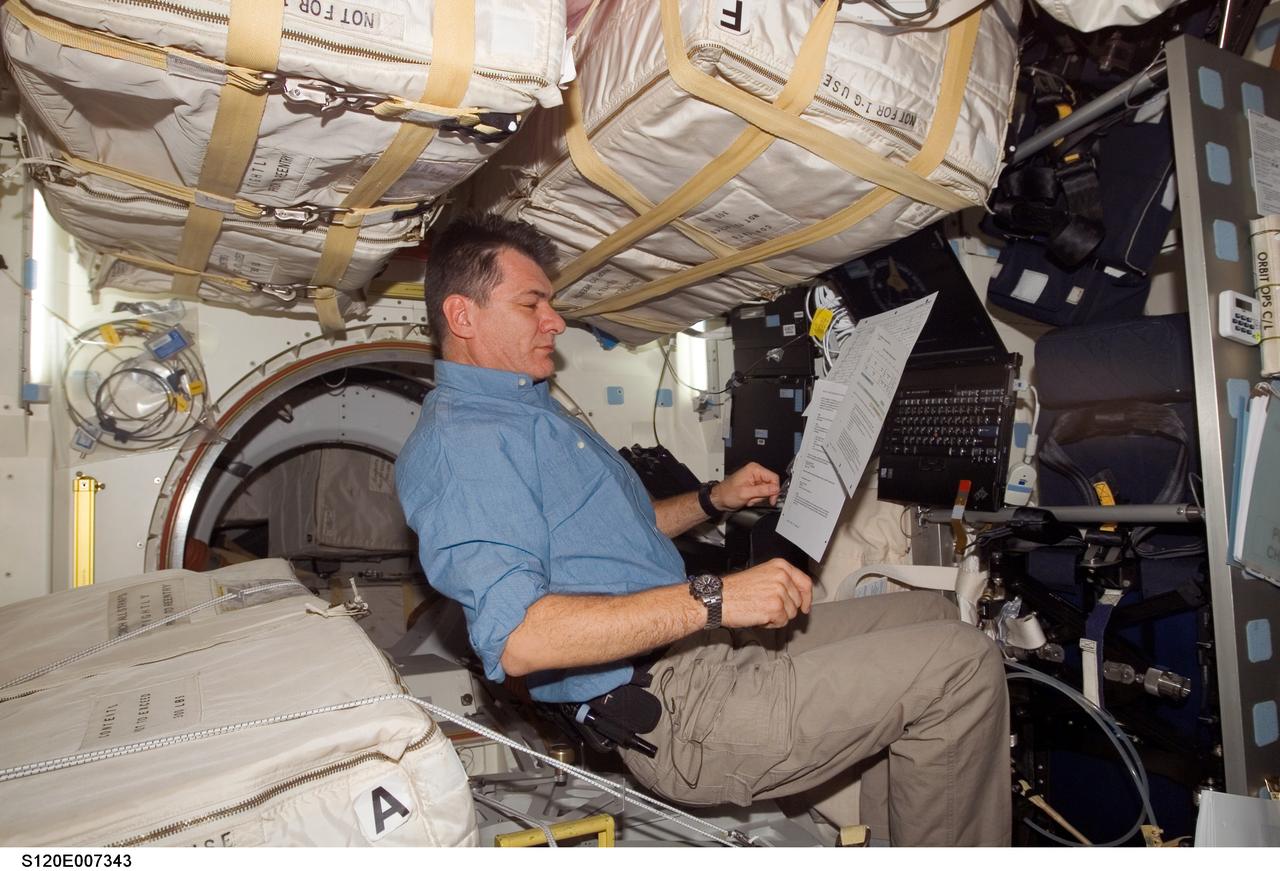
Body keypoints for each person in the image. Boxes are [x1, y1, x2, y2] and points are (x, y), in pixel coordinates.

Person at [395, 214, 1011, 846]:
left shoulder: (529, 410)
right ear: (463, 316)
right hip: (681, 712)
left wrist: (716, 498)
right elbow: (519, 639)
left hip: (702, 649)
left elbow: (622, 534)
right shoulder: (466, 445)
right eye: (533, 304)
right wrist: (718, 597)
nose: (554, 321)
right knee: (963, 666)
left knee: (933, 616)